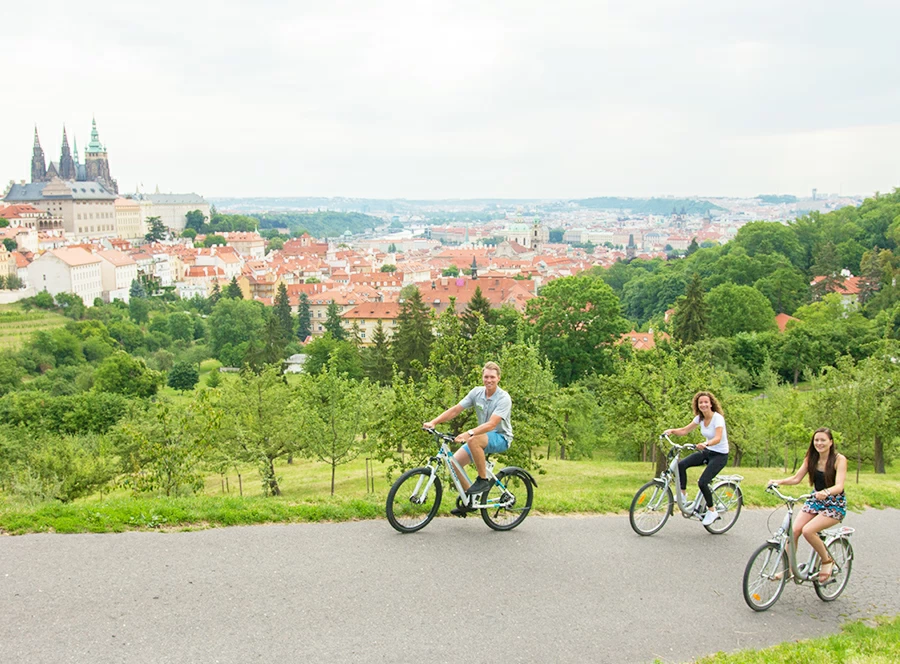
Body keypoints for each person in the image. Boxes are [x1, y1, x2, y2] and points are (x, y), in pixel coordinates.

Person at [423, 361, 513, 516]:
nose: (489, 380)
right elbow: (455, 410)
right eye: (486, 377)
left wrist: (469, 433)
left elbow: (492, 424)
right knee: (453, 463)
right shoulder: (476, 393)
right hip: (481, 437)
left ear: (498, 378)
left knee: (473, 439)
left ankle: (483, 480)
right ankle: (470, 500)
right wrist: (434, 422)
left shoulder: (504, 398)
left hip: (501, 437)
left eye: (492, 377)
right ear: (482, 378)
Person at [769, 427, 847, 583]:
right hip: (815, 501)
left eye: (823, 440)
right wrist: (778, 482)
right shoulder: (810, 458)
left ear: (831, 442)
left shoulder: (839, 460)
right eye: (816, 440)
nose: (819, 443)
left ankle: (826, 560)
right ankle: (788, 570)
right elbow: (796, 478)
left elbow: (839, 486)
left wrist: (826, 491)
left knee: (808, 531)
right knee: (794, 530)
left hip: (834, 504)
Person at [663, 391, 730, 526]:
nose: (703, 404)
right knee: (681, 465)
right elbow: (684, 430)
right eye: (701, 402)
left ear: (711, 404)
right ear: (697, 405)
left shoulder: (718, 418)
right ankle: (683, 494)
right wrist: (671, 431)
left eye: (706, 402)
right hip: (708, 451)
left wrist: (706, 443)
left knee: (703, 482)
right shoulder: (700, 418)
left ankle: (712, 511)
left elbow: (717, 438)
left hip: (720, 455)